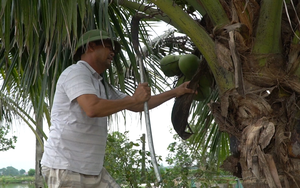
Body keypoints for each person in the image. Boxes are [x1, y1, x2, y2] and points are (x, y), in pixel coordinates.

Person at [40, 29, 195, 188]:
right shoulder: (76, 72)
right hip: (66, 167)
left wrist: (177, 91)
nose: (113, 52)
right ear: (91, 46)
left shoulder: (101, 84)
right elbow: (92, 108)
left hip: (92, 169)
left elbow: (138, 105)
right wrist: (134, 99)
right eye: (109, 47)